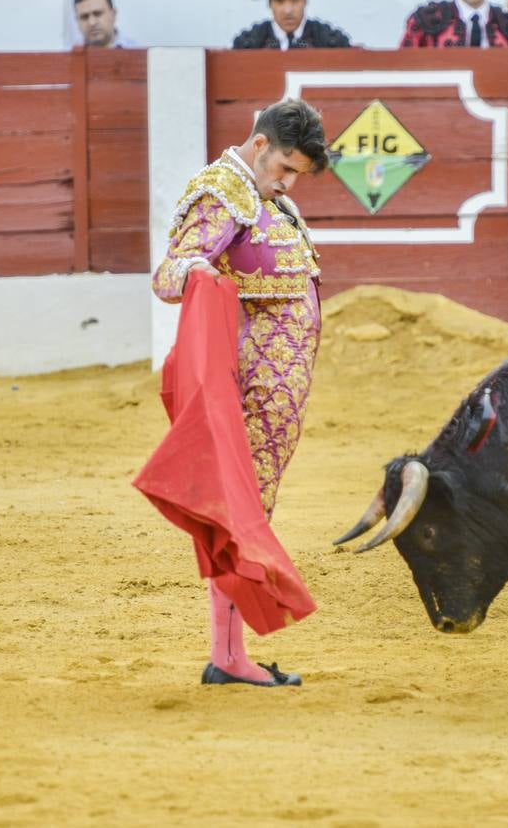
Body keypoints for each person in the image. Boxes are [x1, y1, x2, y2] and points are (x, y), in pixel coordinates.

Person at [150, 99, 327, 688]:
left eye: (296, 174)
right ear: (259, 145)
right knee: (240, 514)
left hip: (274, 391)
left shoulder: (265, 195)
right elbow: (170, 271)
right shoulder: (223, 189)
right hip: (249, 386)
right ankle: (227, 656)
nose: (288, 182)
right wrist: (198, 270)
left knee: (251, 510)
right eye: (283, 168)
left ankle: (230, 652)